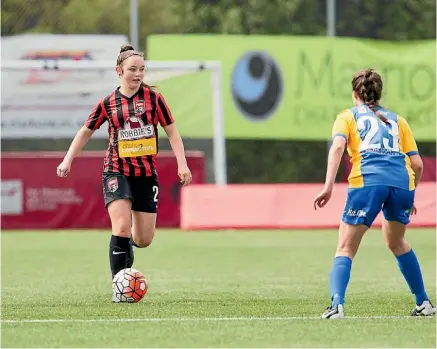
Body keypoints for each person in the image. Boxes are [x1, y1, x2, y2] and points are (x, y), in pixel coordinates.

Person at [56, 45, 192, 301]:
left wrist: (181, 163)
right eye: (132, 69)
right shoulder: (108, 103)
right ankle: (119, 287)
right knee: (120, 226)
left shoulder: (154, 100)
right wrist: (67, 159)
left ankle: (126, 248)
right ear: (119, 71)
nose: (138, 74)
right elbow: (85, 131)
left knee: (143, 238)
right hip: (116, 172)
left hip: (146, 174)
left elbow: (172, 131)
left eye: (142, 69)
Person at [313, 68, 435, 319]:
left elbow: (337, 147)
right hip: (402, 183)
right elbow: (418, 164)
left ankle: (336, 305)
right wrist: (410, 193)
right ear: (379, 94)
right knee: (397, 242)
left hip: (368, 180)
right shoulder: (398, 120)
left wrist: (327, 186)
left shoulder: (347, 117)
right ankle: (424, 302)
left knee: (345, 247)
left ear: (354, 94)